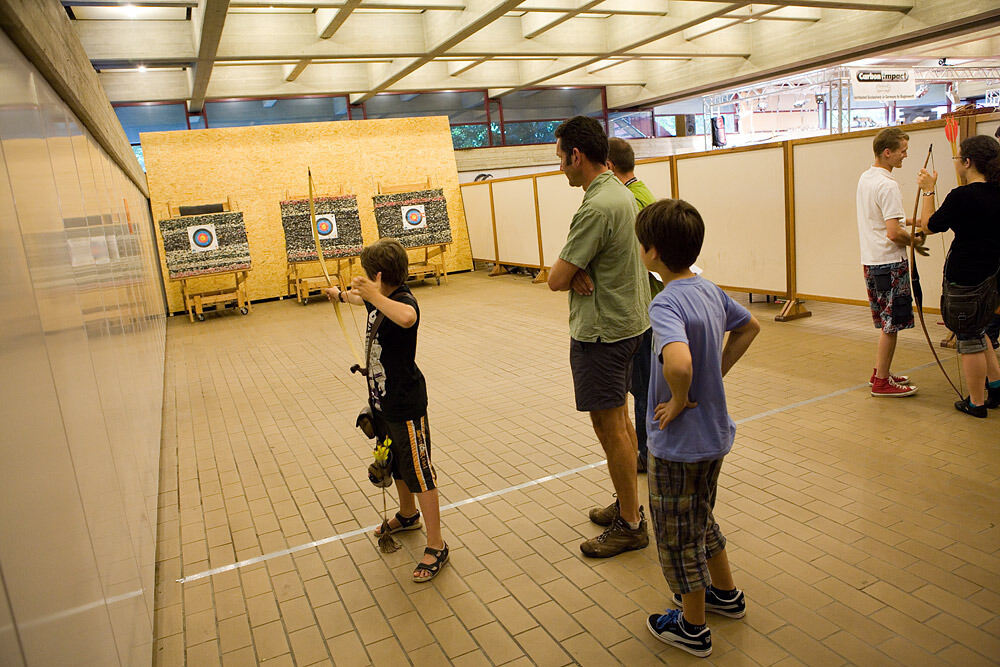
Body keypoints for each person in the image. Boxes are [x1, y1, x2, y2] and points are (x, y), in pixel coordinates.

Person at [636, 199, 760, 658]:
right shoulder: (709, 289)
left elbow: (680, 362)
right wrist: (717, 373)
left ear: (650, 253)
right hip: (713, 437)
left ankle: (692, 626)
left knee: (676, 535)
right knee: (701, 518)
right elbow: (749, 328)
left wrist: (681, 398)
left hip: (679, 444)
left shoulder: (665, 302)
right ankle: (724, 594)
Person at [547, 116, 652, 558]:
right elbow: (590, 264)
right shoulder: (620, 193)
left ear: (577, 156)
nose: (560, 169)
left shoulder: (596, 206)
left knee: (610, 426)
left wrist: (573, 275)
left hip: (603, 332)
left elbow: (555, 277)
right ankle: (629, 504)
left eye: (561, 159)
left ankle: (630, 522)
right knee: (619, 422)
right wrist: (581, 273)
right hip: (626, 324)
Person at [324, 238, 447, 581]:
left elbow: (408, 318)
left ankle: (437, 545)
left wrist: (373, 294)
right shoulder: (380, 299)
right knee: (395, 463)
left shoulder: (402, 301)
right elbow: (361, 300)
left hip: (406, 404)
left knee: (419, 471)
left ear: (378, 276)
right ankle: (408, 515)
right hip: (382, 402)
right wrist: (339, 294)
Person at [917, 134, 1000, 417]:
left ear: (967, 162)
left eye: (957, 158)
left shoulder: (962, 196)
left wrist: (929, 190)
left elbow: (929, 226)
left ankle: (976, 403)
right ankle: (996, 387)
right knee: (981, 331)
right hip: (991, 278)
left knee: (969, 340)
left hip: (966, 280)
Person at [856, 127, 925, 397]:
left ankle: (880, 372)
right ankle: (882, 382)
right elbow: (894, 232)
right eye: (902, 151)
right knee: (891, 323)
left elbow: (885, 218)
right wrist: (915, 240)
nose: (905, 156)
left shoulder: (867, 178)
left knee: (887, 321)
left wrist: (914, 221)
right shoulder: (888, 184)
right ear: (888, 152)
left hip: (872, 262)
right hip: (889, 262)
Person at [608, 137, 660, 473]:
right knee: (643, 385)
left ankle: (645, 454)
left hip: (645, 306)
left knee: (642, 387)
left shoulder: (629, 200)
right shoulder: (641, 194)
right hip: (648, 304)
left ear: (609, 167)